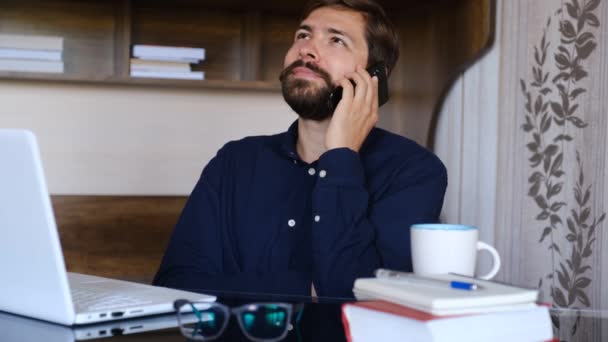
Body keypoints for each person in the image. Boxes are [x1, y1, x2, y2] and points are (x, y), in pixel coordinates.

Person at [153, 0, 447, 298]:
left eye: (336, 40)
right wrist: (306, 290)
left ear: (374, 77)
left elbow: (363, 297)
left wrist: (341, 156)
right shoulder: (235, 161)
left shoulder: (413, 171)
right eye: (303, 35)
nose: (306, 49)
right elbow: (174, 287)